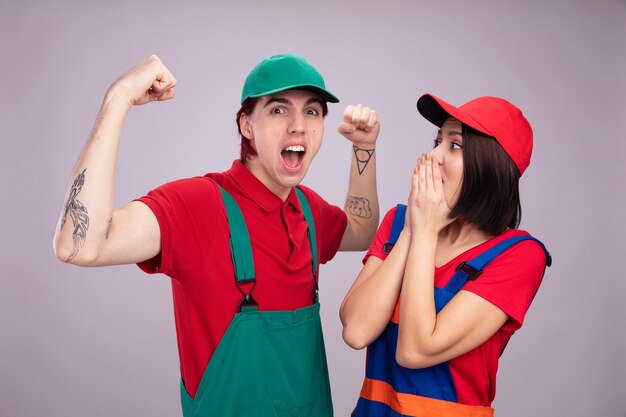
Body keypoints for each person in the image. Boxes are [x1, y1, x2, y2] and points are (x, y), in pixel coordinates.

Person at [53, 53, 381, 416]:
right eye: (278, 110)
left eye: (312, 111)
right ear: (246, 125)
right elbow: (77, 245)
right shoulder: (199, 205)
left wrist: (364, 148)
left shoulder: (307, 209)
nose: (298, 126)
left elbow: (361, 231)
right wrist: (118, 99)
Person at [340, 94, 551, 416]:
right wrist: (412, 229)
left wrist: (424, 232)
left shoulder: (519, 256)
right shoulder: (400, 224)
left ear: (490, 169)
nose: (433, 155)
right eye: (438, 140)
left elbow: (416, 350)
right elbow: (356, 331)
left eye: (455, 146)